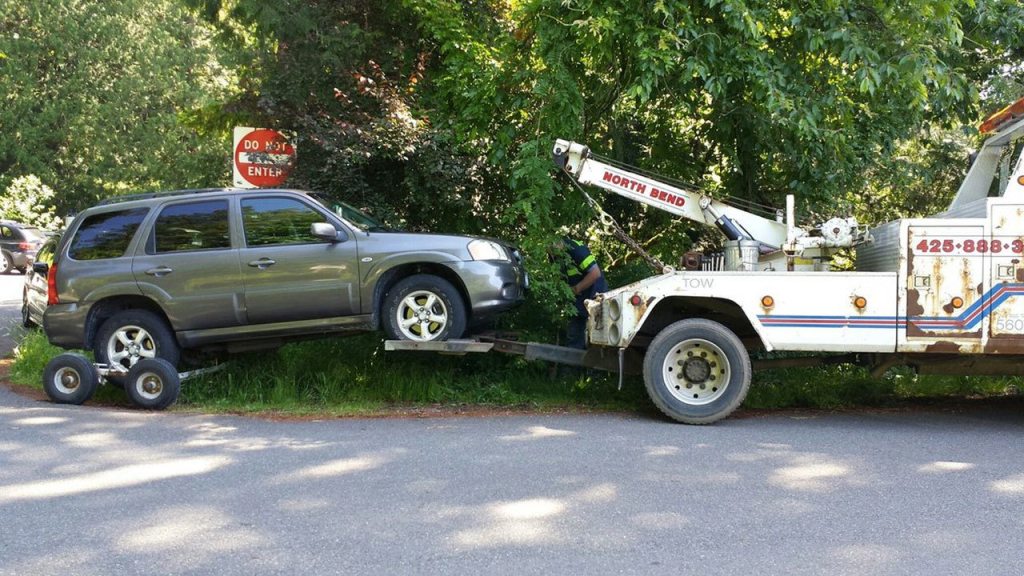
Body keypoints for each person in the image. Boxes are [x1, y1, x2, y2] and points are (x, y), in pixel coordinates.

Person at [558, 236, 608, 349]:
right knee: (574, 334)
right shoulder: (554, 254)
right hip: (578, 296)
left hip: (594, 292)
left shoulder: (575, 249)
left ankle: (592, 362)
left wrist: (575, 289)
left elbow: (595, 273)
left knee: (597, 332)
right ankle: (573, 363)